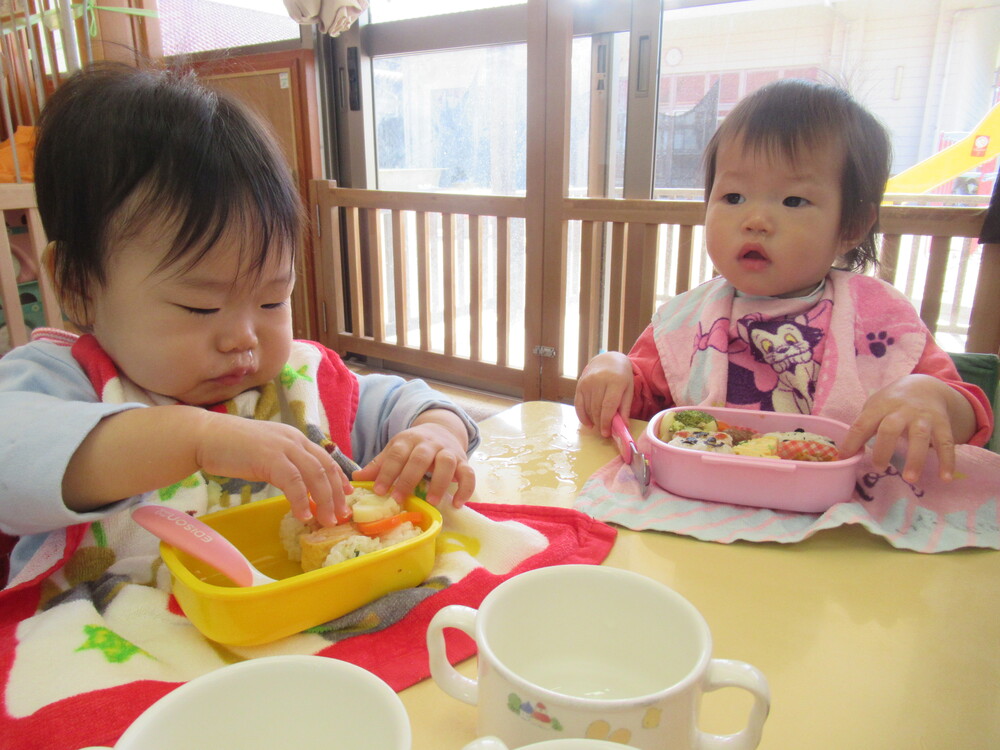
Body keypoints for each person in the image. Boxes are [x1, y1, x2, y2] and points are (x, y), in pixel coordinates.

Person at [0, 62, 479, 586]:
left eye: (274, 300)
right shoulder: (61, 384)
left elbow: (398, 402)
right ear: (78, 288)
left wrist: (436, 433)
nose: (243, 338)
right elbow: (13, 462)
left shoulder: (298, 380)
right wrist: (196, 439)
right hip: (107, 645)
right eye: (200, 308)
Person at [575, 78, 993, 485]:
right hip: (706, 496)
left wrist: (930, 397)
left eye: (793, 201)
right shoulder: (688, 318)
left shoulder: (878, 316)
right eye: (733, 197)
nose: (755, 220)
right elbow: (646, 398)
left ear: (851, 226)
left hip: (843, 509)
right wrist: (613, 369)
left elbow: (968, 419)